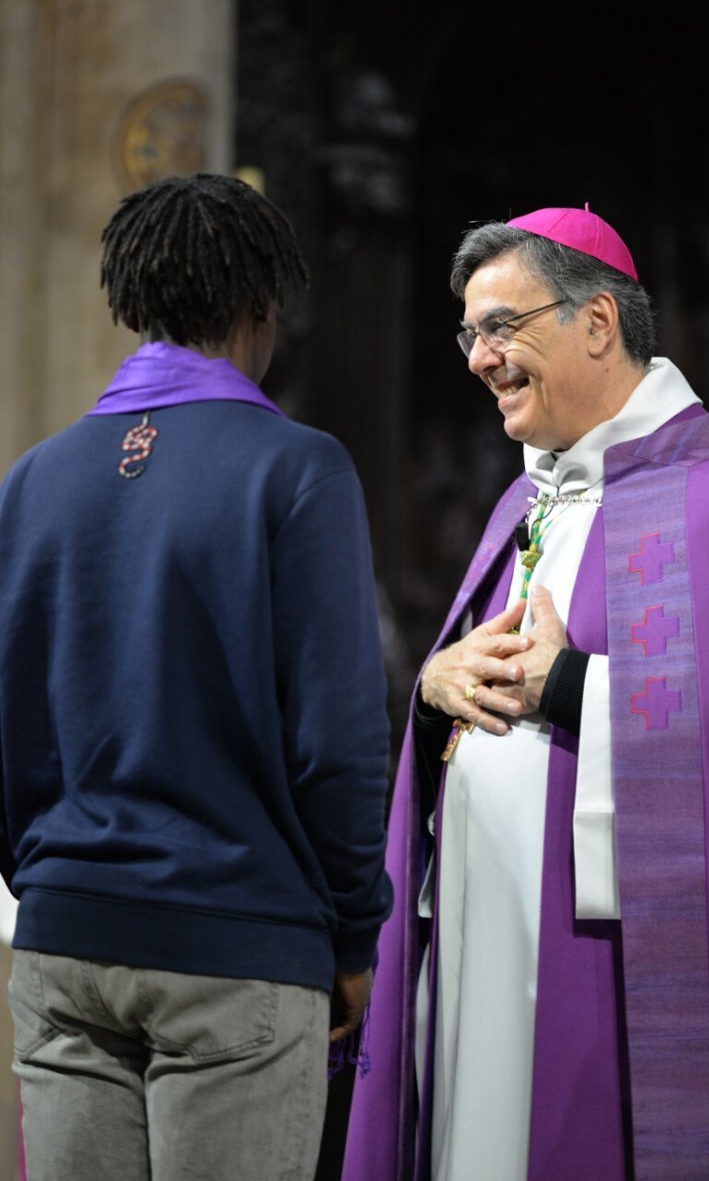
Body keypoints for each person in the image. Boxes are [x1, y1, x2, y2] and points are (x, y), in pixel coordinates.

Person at [341, 205, 709, 1180]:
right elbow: (466, 689)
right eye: (468, 332)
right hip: (478, 948)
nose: (476, 357)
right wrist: (433, 693)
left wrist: (568, 689)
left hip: (600, 974)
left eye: (500, 326)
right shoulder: (525, 500)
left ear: (595, 323)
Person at [0, 173, 393, 1181]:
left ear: (133, 298)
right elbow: (337, 741)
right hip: (237, 942)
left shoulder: (36, 477)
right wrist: (353, 931)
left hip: (61, 941)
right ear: (261, 306)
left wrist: (46, 880)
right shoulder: (295, 468)